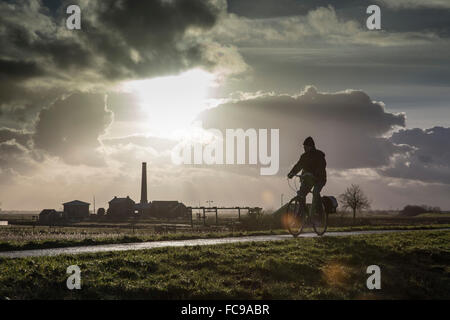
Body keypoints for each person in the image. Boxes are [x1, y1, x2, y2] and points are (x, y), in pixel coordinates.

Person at [287, 136, 327, 216]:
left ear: (311, 146)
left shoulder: (319, 155)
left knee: (316, 192)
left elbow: (321, 166)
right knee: (301, 194)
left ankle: (319, 213)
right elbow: (298, 165)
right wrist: (291, 173)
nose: (304, 148)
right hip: (309, 179)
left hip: (319, 179)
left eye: (306, 147)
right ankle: (302, 214)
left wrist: (316, 174)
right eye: (304, 147)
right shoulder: (304, 157)